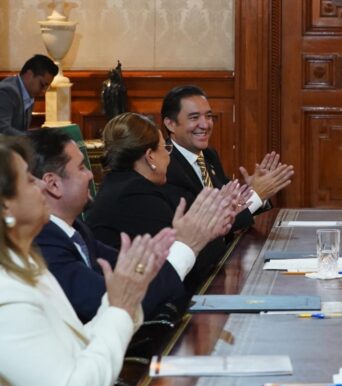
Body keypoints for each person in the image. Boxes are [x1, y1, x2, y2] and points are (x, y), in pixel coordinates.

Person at [0, 135, 173, 386]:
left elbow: (79, 347)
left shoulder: (27, 265)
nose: (40, 188)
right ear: (6, 205)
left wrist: (121, 299)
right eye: (27, 181)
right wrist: (120, 308)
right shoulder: (6, 295)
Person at [28, 128, 234, 322]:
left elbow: (136, 270)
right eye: (82, 167)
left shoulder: (76, 230)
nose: (91, 175)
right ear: (53, 184)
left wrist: (185, 239)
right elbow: (112, 302)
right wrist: (186, 245)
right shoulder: (42, 241)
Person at [85, 113, 246, 286]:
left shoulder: (122, 184)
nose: (169, 156)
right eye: (165, 148)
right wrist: (209, 229)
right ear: (150, 156)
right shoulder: (136, 195)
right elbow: (186, 268)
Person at [159, 85, 293, 236]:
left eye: (209, 116)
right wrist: (256, 196)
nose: (205, 125)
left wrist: (248, 195)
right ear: (170, 124)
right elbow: (207, 228)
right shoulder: (165, 165)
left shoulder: (208, 155)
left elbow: (231, 210)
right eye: (194, 117)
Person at [0, 55, 58, 135]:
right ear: (29, 74)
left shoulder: (28, 94)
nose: (44, 91)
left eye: (46, 87)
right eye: (42, 84)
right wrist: (33, 139)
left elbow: (20, 130)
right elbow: (3, 131)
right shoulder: (6, 92)